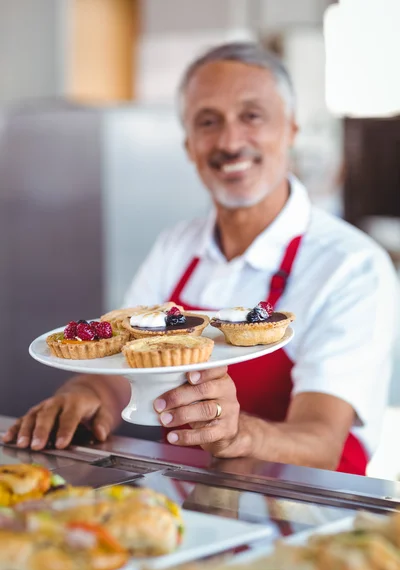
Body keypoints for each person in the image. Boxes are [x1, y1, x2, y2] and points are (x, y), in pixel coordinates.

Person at [4, 42, 398, 475]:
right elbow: (119, 365)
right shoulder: (176, 247)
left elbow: (322, 442)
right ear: (189, 146)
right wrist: (84, 394)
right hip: (192, 493)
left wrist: (238, 433)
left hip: (312, 510)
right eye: (208, 122)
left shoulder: (351, 266)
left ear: (290, 130)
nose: (230, 142)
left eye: (252, 116)